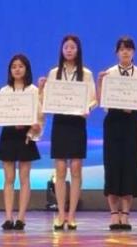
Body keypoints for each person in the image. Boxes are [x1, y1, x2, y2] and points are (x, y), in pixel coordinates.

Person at [39, 34, 96, 231]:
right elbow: (46, 101)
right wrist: (42, 89)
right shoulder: (54, 73)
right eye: (66, 47)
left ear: (78, 50)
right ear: (62, 50)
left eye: (72, 47)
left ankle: (72, 215)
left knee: (76, 169)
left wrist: (87, 108)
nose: (69, 50)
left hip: (78, 123)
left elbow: (93, 99)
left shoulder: (86, 74)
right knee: (61, 170)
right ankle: (61, 214)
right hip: (60, 123)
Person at [98, 36, 137, 232]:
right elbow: (102, 102)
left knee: (130, 166)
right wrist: (100, 83)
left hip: (132, 124)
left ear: (133, 52)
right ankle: (113, 213)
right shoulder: (108, 73)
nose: (125, 52)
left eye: (128, 49)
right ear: (117, 53)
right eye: (121, 49)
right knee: (112, 166)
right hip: (113, 122)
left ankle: (125, 213)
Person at [0, 53, 41, 231]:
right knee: (9, 178)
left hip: (26, 137)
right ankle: (8, 217)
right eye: (14, 67)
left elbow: (39, 117)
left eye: (20, 66)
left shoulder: (33, 91)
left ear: (26, 69)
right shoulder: (4, 91)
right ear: (10, 71)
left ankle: (21, 217)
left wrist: (32, 128)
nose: (17, 69)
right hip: (8, 135)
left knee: (24, 178)